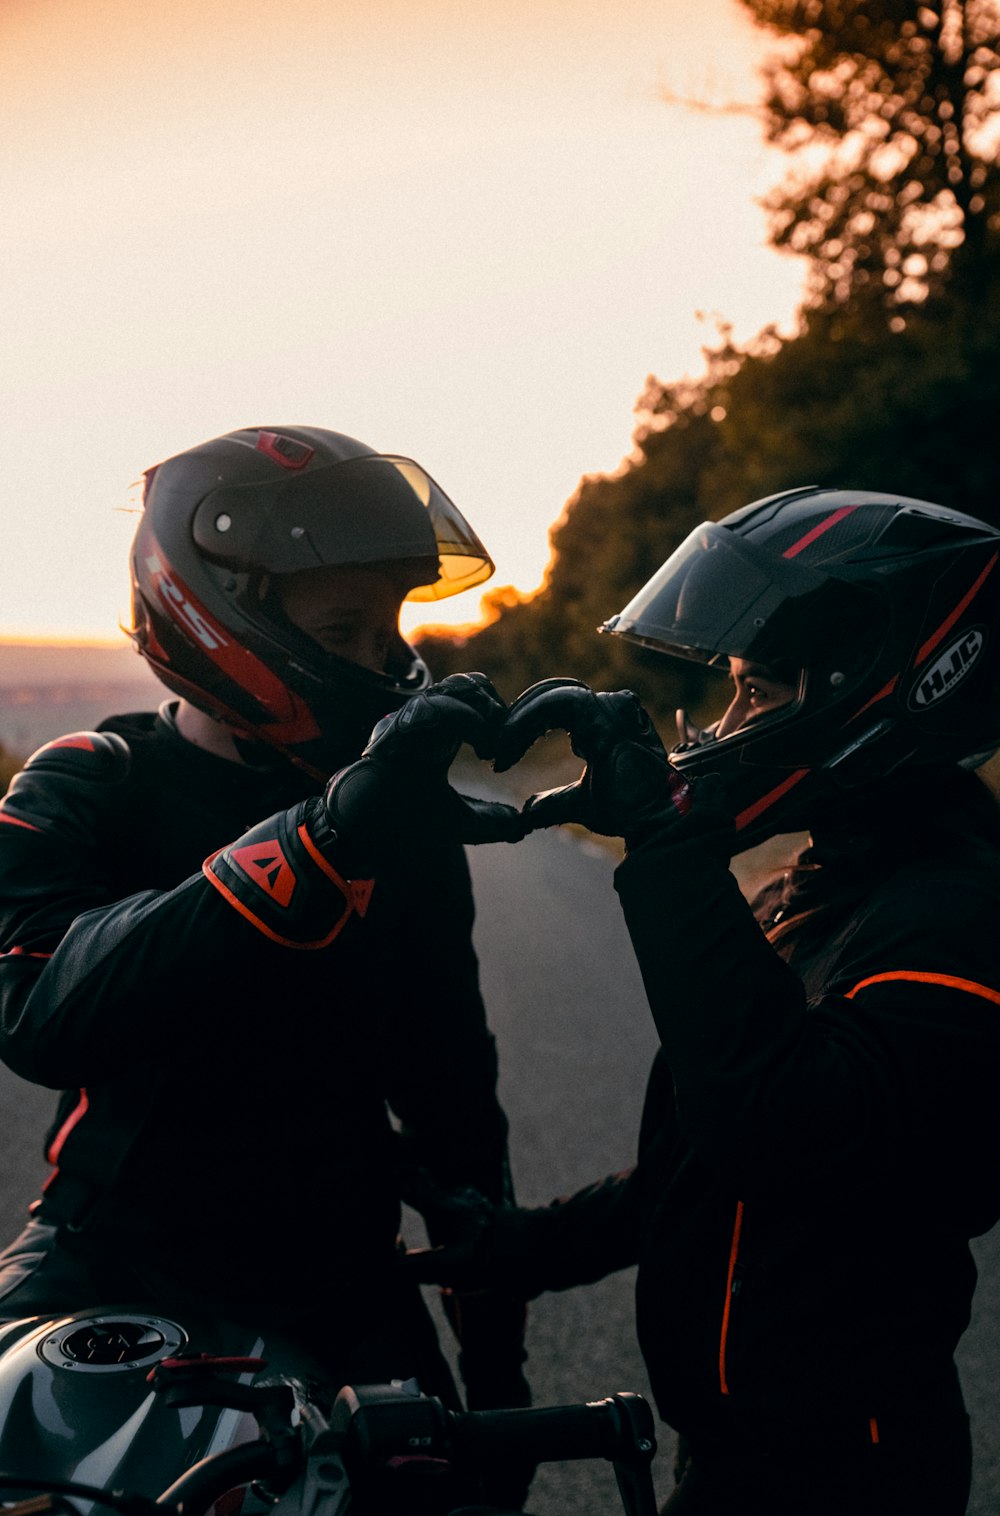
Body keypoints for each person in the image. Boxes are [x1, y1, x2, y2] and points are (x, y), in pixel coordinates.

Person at [410, 487, 1000, 1515]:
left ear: (883, 689)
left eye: (758, 695)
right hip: (738, 1457)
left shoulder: (957, 924)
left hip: (850, 1475)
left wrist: (667, 845)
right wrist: (518, 1247)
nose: (725, 727)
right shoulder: (832, 882)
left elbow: (775, 1133)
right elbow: (701, 1170)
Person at [0, 425, 532, 1450]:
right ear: (219, 608)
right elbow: (40, 1015)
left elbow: (453, 1102)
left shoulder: (401, 822)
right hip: (109, 1258)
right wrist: (320, 840)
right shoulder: (85, 781)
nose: (379, 664)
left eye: (387, 635)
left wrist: (497, 1367)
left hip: (336, 1276)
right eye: (343, 630)